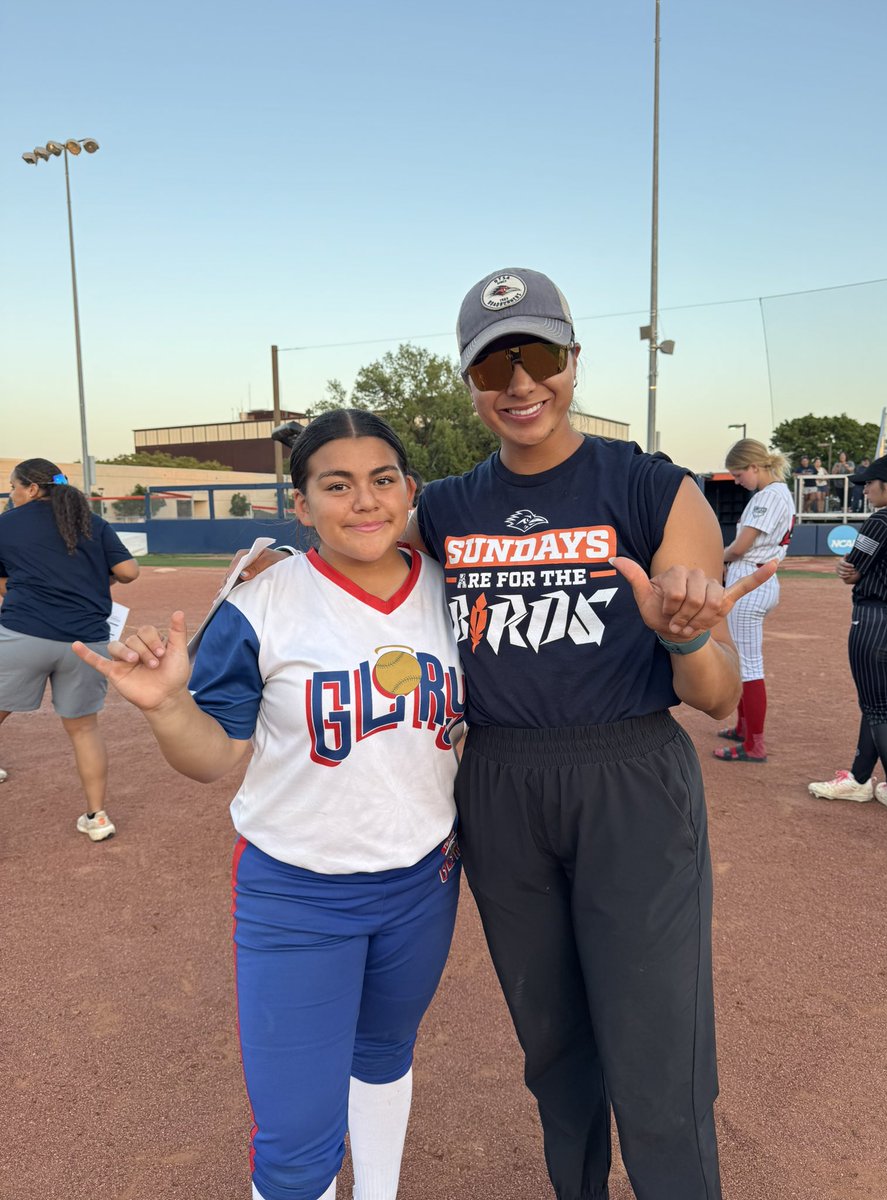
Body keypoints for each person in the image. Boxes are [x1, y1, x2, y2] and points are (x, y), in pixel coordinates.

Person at [238, 267, 775, 1200]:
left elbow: (721, 700)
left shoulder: (653, 488)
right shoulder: (447, 508)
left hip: (629, 776)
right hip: (498, 784)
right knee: (552, 1042)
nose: (521, 384)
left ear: (573, 358)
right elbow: (355, 543)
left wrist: (685, 637)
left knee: (657, 1042)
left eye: (539, 356)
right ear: (471, 382)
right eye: (495, 366)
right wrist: (272, 562)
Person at [74, 410, 464, 1200]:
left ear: (410, 491)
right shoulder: (262, 604)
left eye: (382, 480)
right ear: (302, 505)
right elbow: (214, 757)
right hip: (298, 896)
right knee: (295, 1148)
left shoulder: (451, 591)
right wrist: (167, 707)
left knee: (385, 1054)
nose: (364, 501)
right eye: (337, 485)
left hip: (425, 883)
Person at [0, 458, 139, 836]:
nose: (11, 495)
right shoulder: (90, 522)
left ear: (31, 488)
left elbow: (4, 583)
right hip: (86, 642)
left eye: (13, 487)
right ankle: (97, 817)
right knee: (84, 730)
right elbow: (128, 571)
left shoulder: (7, 524)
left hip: (25, 633)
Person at [808, 452, 887, 813]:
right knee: (877, 703)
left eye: (869, 484)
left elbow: (851, 569)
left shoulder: (882, 520)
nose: (864, 490)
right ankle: (860, 780)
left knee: (880, 708)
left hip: (877, 620)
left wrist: (851, 570)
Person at [713, 438, 795, 763]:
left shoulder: (769, 495)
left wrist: (714, 556)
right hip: (757, 577)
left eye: (738, 474)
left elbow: (740, 547)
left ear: (754, 466)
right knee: (742, 660)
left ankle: (754, 744)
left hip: (751, 579)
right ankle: (744, 729)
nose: (737, 481)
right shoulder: (777, 493)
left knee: (748, 664)